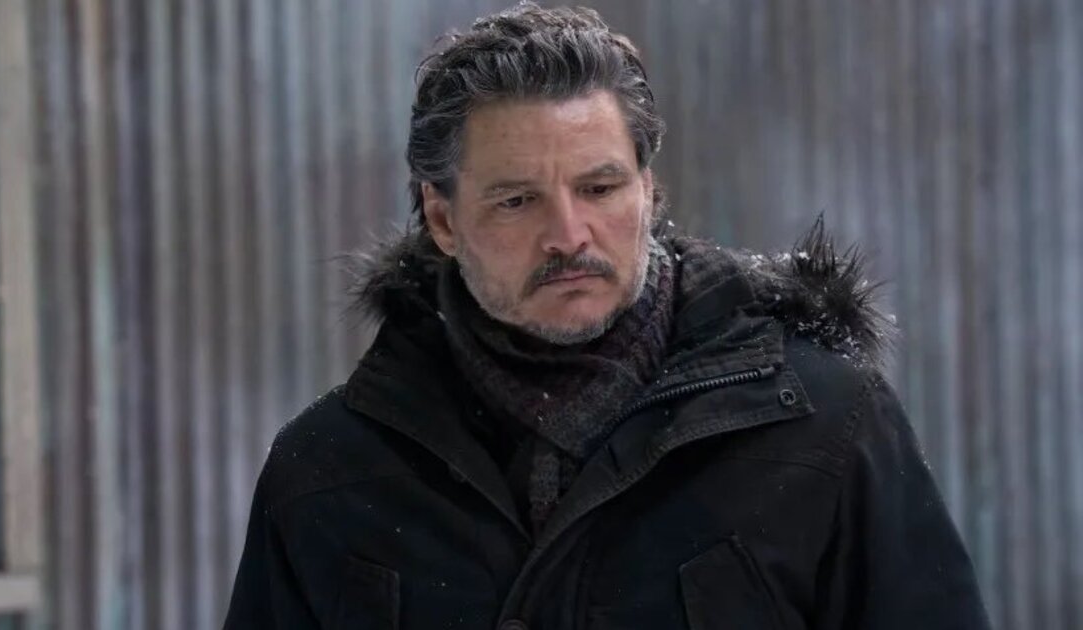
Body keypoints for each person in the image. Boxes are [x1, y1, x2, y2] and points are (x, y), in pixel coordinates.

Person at [224, 3, 990, 628]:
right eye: (516, 200)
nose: (568, 235)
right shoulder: (330, 475)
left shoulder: (822, 429)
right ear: (443, 218)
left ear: (648, 191)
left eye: (599, 189)